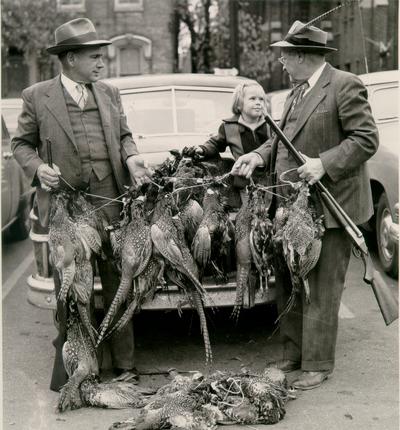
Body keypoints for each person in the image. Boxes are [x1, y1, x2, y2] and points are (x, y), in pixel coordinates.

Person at [231, 20, 379, 390]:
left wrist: (323, 163)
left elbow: (366, 139)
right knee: (291, 283)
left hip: (331, 209)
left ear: (301, 55)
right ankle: (294, 355)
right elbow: (284, 141)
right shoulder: (295, 93)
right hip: (292, 210)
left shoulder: (344, 85)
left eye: (285, 55)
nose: (281, 61)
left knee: (322, 287)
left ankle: (317, 364)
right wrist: (258, 156)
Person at [11, 18, 151, 392]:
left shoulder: (108, 93)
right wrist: (39, 168)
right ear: (71, 59)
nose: (102, 63)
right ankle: (84, 371)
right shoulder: (36, 96)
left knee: (119, 282)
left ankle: (126, 367)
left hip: (111, 201)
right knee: (75, 291)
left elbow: (123, 137)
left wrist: (133, 157)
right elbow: (21, 145)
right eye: (95, 57)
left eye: (102, 56)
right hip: (66, 211)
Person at [193, 81, 270, 203]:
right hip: (245, 182)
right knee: (250, 215)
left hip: (270, 182)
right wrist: (202, 149)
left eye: (261, 99)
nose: (258, 103)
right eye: (252, 99)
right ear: (239, 104)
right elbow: (215, 143)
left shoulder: (270, 125)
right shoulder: (229, 127)